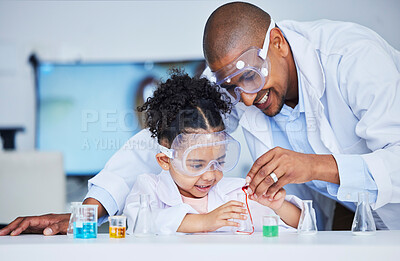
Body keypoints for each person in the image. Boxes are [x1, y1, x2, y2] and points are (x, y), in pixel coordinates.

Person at [2, 1, 399, 235]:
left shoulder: (354, 61)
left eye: (250, 76)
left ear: (276, 43)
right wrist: (85, 214)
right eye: (231, 85)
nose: (245, 96)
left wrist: (313, 165)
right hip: (348, 226)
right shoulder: (232, 80)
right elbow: (163, 142)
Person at [123, 70, 301, 234]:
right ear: (165, 160)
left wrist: (279, 206)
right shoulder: (149, 188)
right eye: (196, 164)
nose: (210, 175)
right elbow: (140, 223)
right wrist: (204, 222)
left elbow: (302, 226)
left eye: (219, 161)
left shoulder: (236, 194)